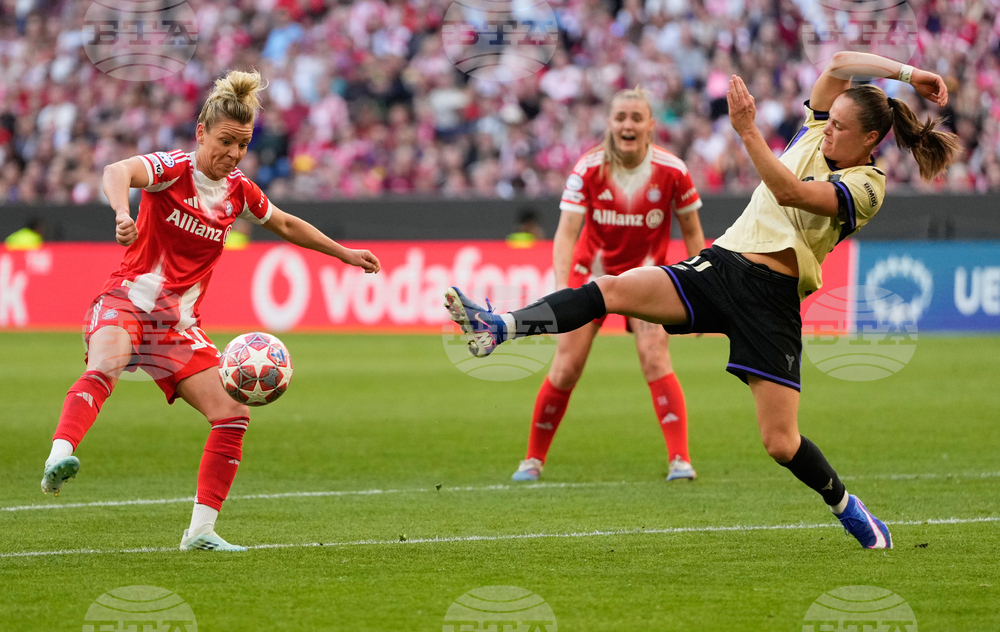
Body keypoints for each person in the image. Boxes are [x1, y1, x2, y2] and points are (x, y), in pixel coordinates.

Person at [445, 51, 961, 549]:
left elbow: (792, 194)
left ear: (871, 138)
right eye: (829, 121)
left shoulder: (868, 186)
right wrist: (908, 73)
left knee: (780, 443)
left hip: (773, 300)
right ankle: (501, 326)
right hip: (721, 267)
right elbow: (838, 65)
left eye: (840, 128)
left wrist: (747, 130)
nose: (827, 129)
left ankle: (846, 505)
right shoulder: (814, 129)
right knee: (610, 289)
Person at [40, 71, 381, 552]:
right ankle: (60, 455)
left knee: (232, 412)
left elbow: (282, 221)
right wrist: (121, 211)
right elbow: (118, 170)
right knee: (105, 366)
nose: (233, 154)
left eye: (242, 145)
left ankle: (200, 531)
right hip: (129, 300)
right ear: (202, 133)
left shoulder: (238, 191)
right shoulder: (173, 168)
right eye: (225, 141)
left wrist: (343, 252)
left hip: (177, 326)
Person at [509, 87, 705, 484]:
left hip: (649, 278)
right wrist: (564, 288)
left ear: (651, 124)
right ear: (610, 124)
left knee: (655, 357)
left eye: (636, 117)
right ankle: (532, 460)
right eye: (620, 117)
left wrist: (701, 292)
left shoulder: (673, 170)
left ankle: (680, 459)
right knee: (566, 368)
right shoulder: (588, 168)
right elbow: (566, 233)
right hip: (591, 277)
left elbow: (693, 233)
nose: (627, 124)